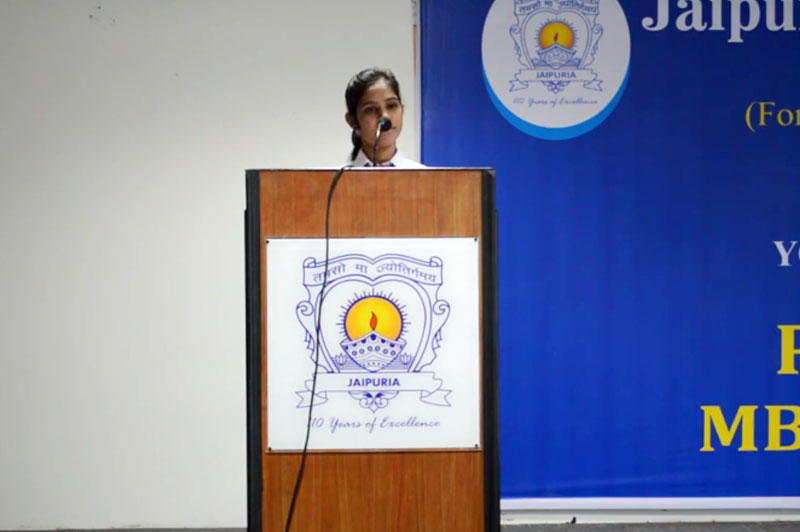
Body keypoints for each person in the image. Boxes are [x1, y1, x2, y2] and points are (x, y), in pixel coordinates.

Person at [344, 68, 425, 168]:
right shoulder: (335, 176)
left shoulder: (425, 175)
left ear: (402, 109)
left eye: (392, 106)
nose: (384, 117)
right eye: (371, 110)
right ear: (352, 121)